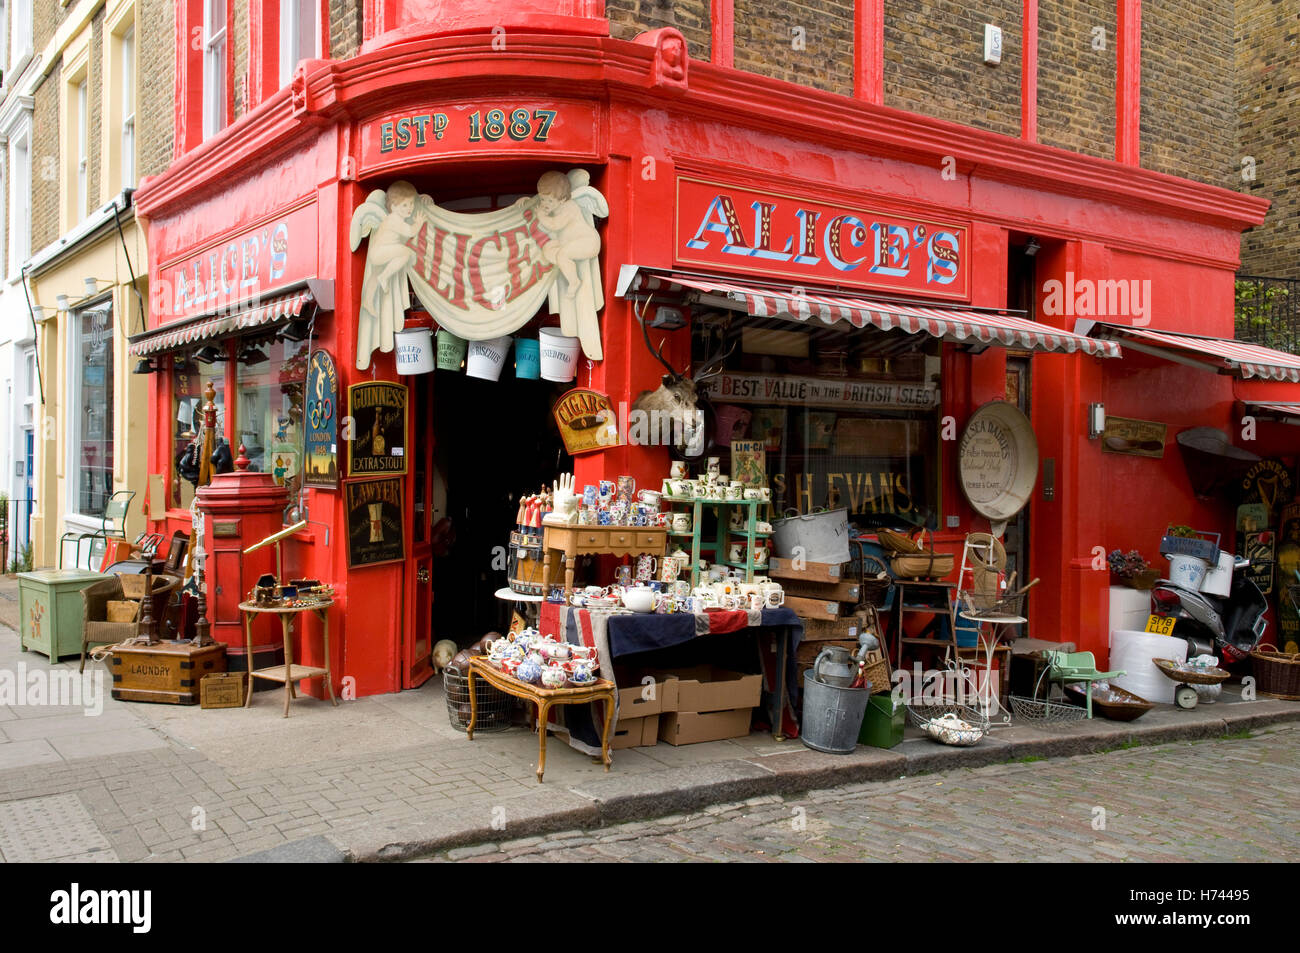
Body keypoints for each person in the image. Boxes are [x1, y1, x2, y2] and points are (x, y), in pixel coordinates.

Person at [533, 171, 601, 299]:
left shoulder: (569, 207)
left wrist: (541, 216)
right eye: (542, 199)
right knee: (547, 249)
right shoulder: (556, 208)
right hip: (569, 241)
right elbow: (547, 229)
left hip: (587, 241)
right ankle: (566, 266)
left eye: (550, 200)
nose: (545, 204)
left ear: (562, 199)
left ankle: (574, 281)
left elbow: (554, 225)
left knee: (562, 254)